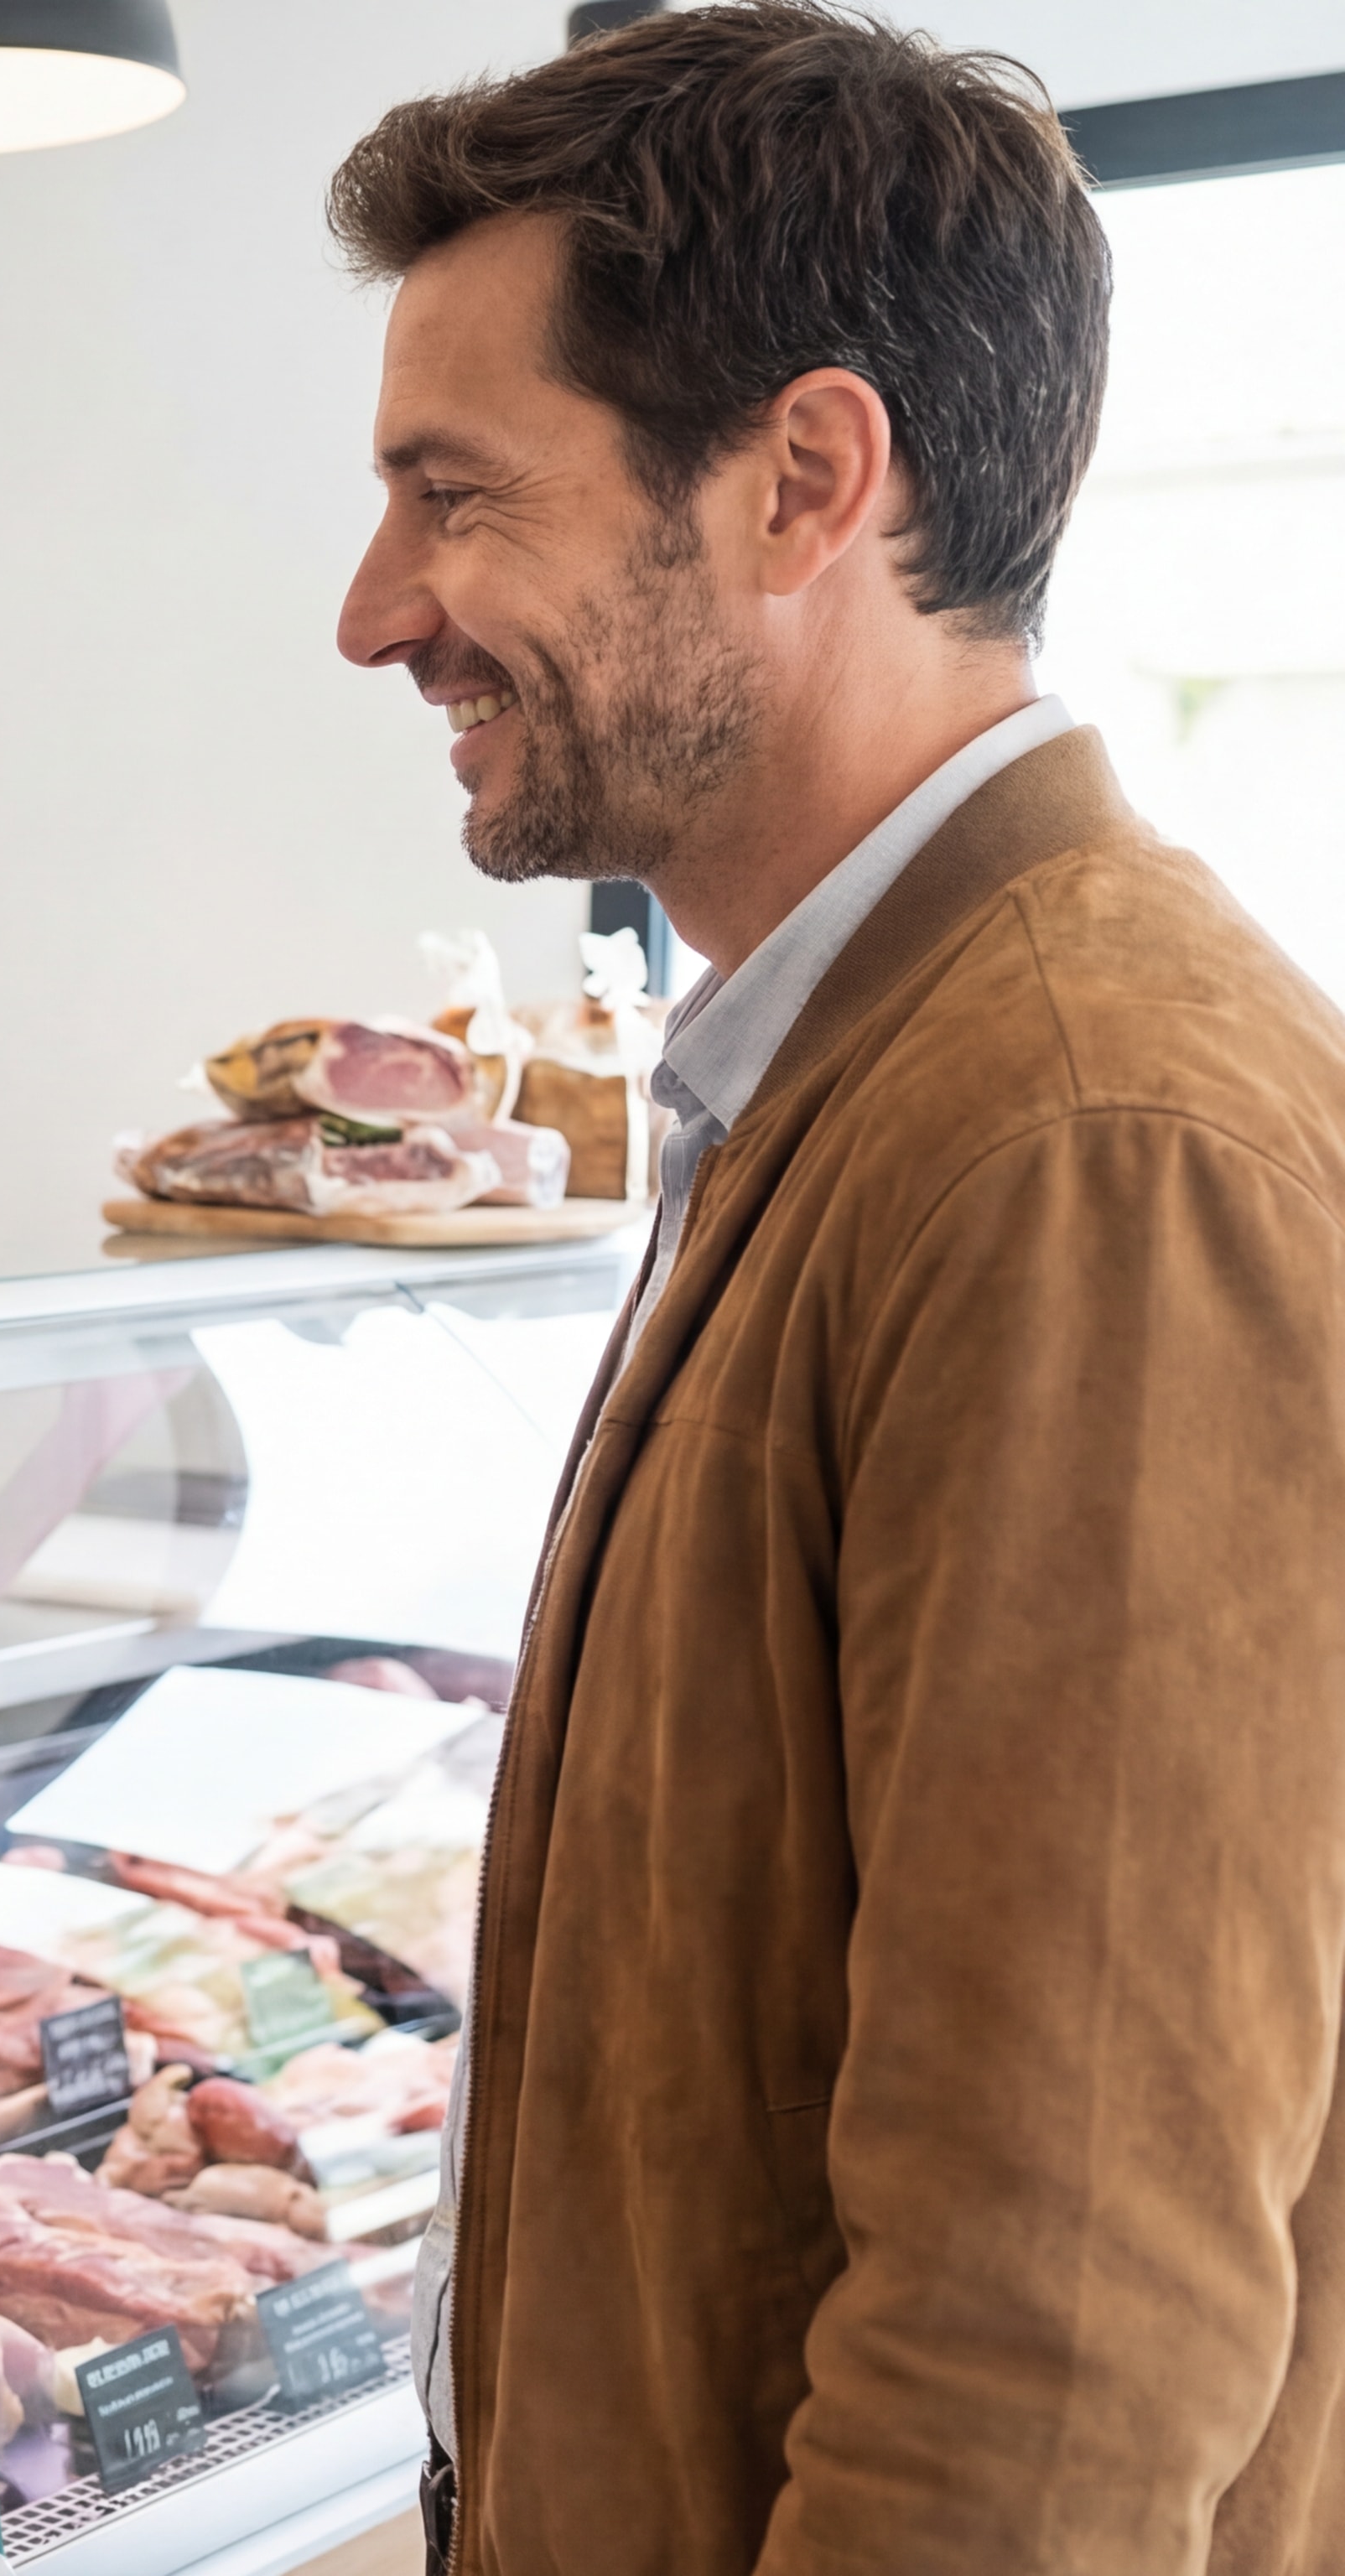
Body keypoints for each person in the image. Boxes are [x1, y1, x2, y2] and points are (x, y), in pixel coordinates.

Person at [329, 9, 1345, 2568]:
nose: (378, 616)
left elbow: (1058, 2321)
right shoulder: (858, 1058)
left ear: (804, 481)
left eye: (455, 498)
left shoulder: (1087, 1130)